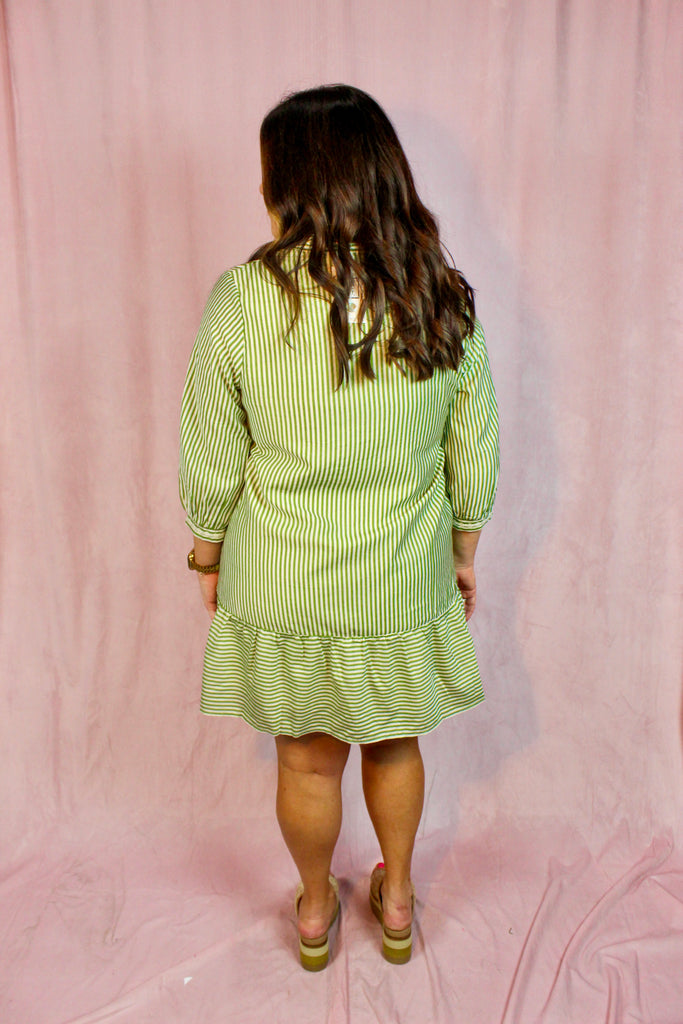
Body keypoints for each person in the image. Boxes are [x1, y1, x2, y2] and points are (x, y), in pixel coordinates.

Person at [179, 84, 499, 970]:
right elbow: (473, 450)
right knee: (394, 741)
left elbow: (211, 448)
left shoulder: (242, 299)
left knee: (307, 761)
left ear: (293, 183)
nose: (261, 192)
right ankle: (395, 902)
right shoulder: (440, 295)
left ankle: (316, 909)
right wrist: (463, 551)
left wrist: (206, 553)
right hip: (400, 573)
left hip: (284, 580)